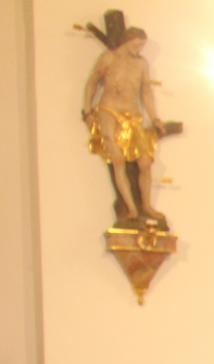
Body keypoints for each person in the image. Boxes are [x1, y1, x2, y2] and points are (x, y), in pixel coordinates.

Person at [80, 27, 167, 227]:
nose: (140, 49)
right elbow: (92, 83)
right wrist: (87, 110)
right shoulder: (109, 58)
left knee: (145, 162)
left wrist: (155, 118)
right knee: (118, 160)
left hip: (132, 114)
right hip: (109, 110)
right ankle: (131, 208)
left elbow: (146, 92)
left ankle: (146, 205)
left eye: (142, 45)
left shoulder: (141, 64)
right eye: (137, 44)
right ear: (127, 41)